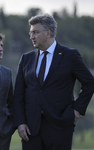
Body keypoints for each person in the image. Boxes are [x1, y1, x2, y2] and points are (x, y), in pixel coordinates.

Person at [13, 14, 94, 150]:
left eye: (35, 32)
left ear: (48, 33)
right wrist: (20, 123)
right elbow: (18, 94)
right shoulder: (26, 58)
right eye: (30, 33)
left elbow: (90, 83)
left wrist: (77, 110)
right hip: (31, 130)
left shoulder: (70, 56)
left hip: (60, 126)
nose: (31, 36)